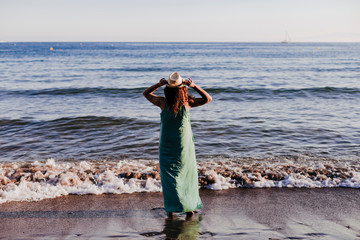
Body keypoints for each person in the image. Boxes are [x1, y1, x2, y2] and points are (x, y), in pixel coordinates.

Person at [143, 72, 212, 219]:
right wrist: (194, 86)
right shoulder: (187, 103)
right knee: (186, 175)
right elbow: (208, 98)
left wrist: (158, 84)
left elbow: (145, 93)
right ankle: (189, 208)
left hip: (166, 144)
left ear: (167, 89)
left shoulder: (162, 102)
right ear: (183, 89)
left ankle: (171, 209)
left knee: (169, 176)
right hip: (183, 145)